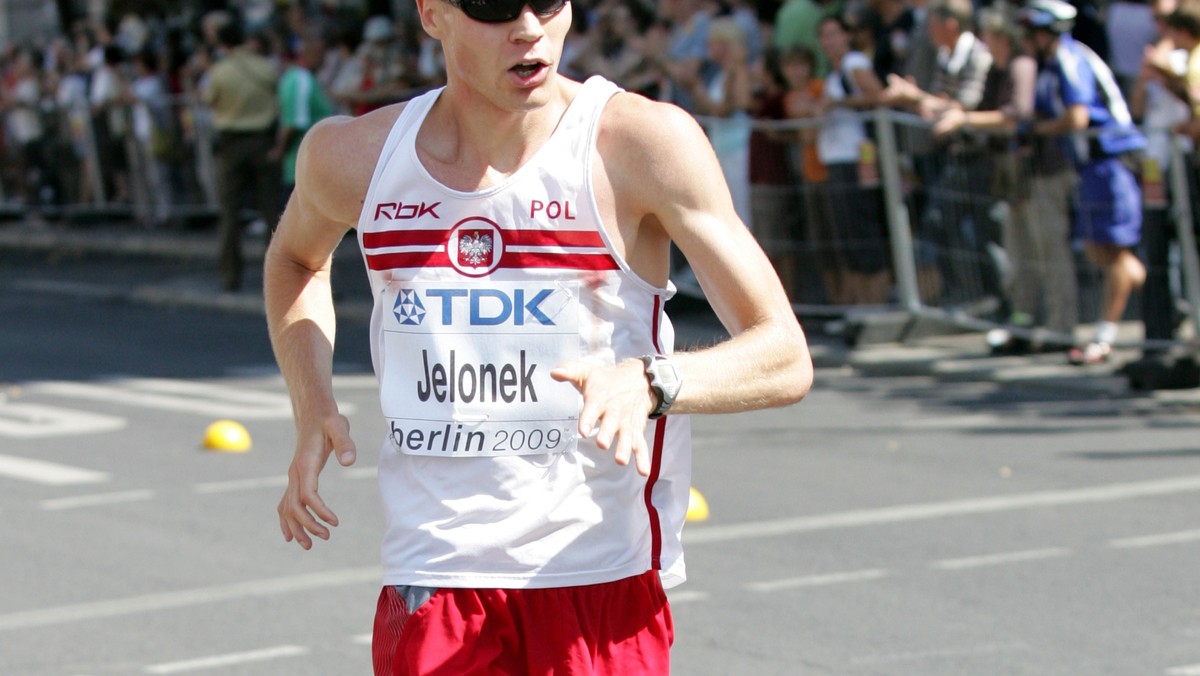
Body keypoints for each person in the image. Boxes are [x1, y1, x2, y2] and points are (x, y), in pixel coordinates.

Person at [264, 0, 813, 673]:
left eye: (548, 1)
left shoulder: (638, 144)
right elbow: (295, 259)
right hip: (435, 576)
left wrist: (650, 382)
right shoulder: (354, 157)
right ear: (433, 14)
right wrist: (311, 403)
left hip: (597, 577)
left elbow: (783, 354)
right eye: (494, 6)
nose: (528, 28)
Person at [1019, 0, 1147, 365]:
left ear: (1046, 33)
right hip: (1090, 166)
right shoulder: (1051, 62)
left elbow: (1077, 117)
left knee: (1114, 252)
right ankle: (1158, 296)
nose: (1025, 41)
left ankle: (1104, 337)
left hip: (1109, 160)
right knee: (1099, 251)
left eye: (1030, 34)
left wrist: (1038, 130)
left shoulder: (1069, 59)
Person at [202, 20, 281, 292]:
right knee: (272, 212)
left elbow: (209, 100)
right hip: (263, 140)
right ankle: (278, 276)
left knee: (229, 214)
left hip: (231, 144)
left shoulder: (219, 71)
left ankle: (229, 276)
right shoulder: (265, 67)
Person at [272, 31, 334, 204]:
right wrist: (279, 152)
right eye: (321, 53)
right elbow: (294, 123)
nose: (325, 59)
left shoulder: (307, 79)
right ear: (308, 52)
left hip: (310, 168)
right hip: (301, 169)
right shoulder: (301, 80)